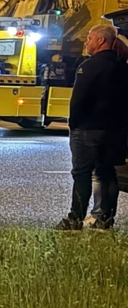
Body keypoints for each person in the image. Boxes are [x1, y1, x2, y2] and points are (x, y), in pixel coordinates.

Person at [56, 24, 128, 230]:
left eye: (89, 38)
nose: (86, 42)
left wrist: (74, 124)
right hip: (113, 130)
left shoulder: (89, 66)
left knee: (82, 174)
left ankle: (75, 218)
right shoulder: (122, 67)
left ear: (101, 41)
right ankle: (106, 219)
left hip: (88, 128)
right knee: (107, 173)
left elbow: (79, 99)